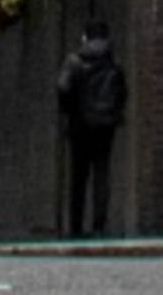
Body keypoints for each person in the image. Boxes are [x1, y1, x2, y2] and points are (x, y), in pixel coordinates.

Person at [52, 14, 124, 237]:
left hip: (80, 124)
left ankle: (76, 226)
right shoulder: (113, 63)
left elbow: (63, 88)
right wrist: (115, 112)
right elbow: (123, 91)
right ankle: (99, 225)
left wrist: (70, 110)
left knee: (79, 176)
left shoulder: (74, 61)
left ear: (85, 37)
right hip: (105, 125)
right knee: (102, 173)